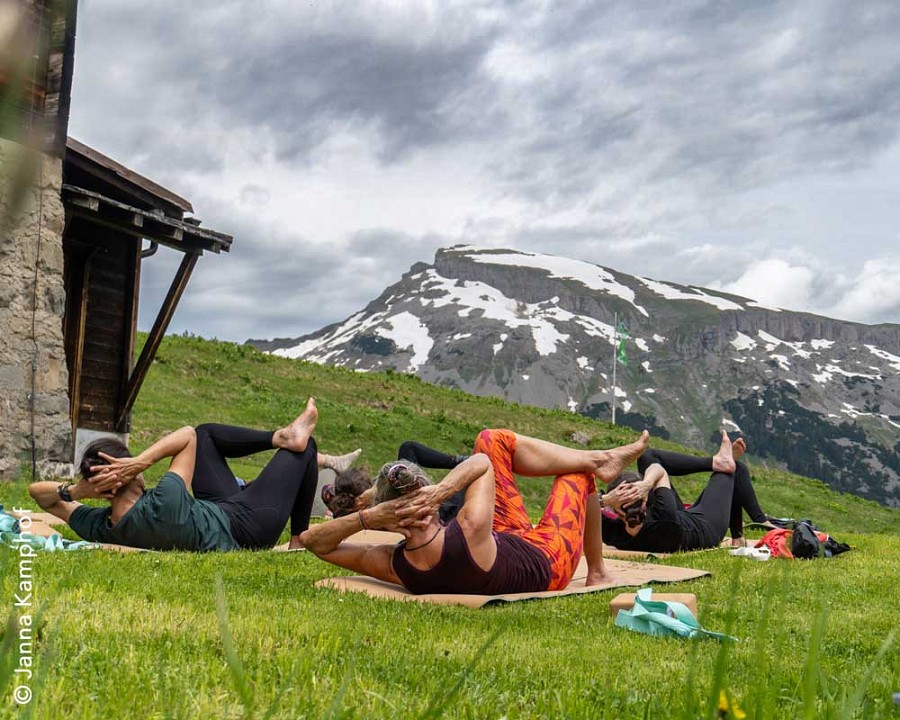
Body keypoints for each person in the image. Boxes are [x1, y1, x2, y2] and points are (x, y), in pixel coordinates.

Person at [301, 428, 650, 595]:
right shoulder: (468, 525)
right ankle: (598, 571)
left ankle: (600, 459)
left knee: (490, 440)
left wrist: (368, 519)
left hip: (503, 540)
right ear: (427, 496)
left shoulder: (394, 566)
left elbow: (314, 541)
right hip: (547, 561)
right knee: (574, 471)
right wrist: (443, 491)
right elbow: (481, 462)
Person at [28, 399, 334, 552]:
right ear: (127, 472)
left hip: (218, 511)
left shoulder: (103, 526)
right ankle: (299, 539)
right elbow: (188, 436)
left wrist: (77, 492)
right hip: (248, 527)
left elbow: (38, 494)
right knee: (304, 450)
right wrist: (143, 461)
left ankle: (281, 437)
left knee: (207, 434)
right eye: (130, 461)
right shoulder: (165, 501)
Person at [600, 431, 773, 553]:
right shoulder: (663, 513)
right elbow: (658, 470)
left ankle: (721, 462)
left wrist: (607, 499)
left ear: (614, 510)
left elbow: (585, 505)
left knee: (648, 456)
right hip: (705, 528)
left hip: (680, 521)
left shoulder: (613, 533)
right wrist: (646, 483)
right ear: (645, 499)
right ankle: (751, 527)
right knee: (735, 470)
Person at [321, 440, 467, 521]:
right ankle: (462, 462)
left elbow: (326, 491)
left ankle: (460, 461)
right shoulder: (380, 498)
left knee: (407, 448)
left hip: (441, 502)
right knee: (405, 453)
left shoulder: (361, 503)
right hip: (447, 508)